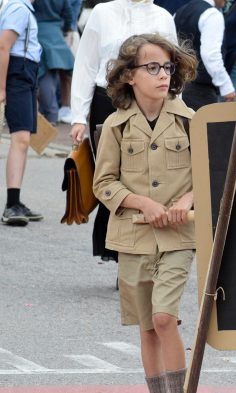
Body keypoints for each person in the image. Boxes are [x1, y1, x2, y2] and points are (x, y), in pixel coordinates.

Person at [93, 33, 196, 393]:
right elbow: (103, 183)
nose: (163, 75)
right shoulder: (115, 126)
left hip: (179, 236)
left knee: (164, 317)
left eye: (167, 67)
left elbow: (211, 174)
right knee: (147, 326)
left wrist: (186, 201)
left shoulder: (189, 120)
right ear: (129, 76)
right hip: (133, 237)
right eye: (152, 67)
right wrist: (144, 203)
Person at [69, 0, 178, 262]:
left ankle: (140, 251)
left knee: (146, 174)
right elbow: (86, 63)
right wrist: (77, 116)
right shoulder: (102, 12)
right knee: (113, 175)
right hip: (106, 101)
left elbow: (172, 69)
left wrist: (176, 111)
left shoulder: (163, 17)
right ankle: (118, 248)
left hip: (151, 103)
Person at [0, 0, 44, 226]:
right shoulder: (18, 7)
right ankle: (11, 205)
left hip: (24, 73)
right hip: (18, 72)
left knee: (23, 140)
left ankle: (15, 200)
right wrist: (1, 87)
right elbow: (3, 46)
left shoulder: (20, 7)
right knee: (21, 139)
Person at [175, 0, 235, 111]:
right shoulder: (212, 14)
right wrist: (226, 87)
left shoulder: (180, 11)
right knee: (201, 128)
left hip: (180, 86)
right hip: (201, 90)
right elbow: (211, 55)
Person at [34, 0, 75, 125]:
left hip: (37, 32)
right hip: (56, 34)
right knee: (64, 74)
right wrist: (65, 29)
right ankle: (61, 110)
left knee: (44, 75)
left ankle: (49, 114)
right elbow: (69, 14)